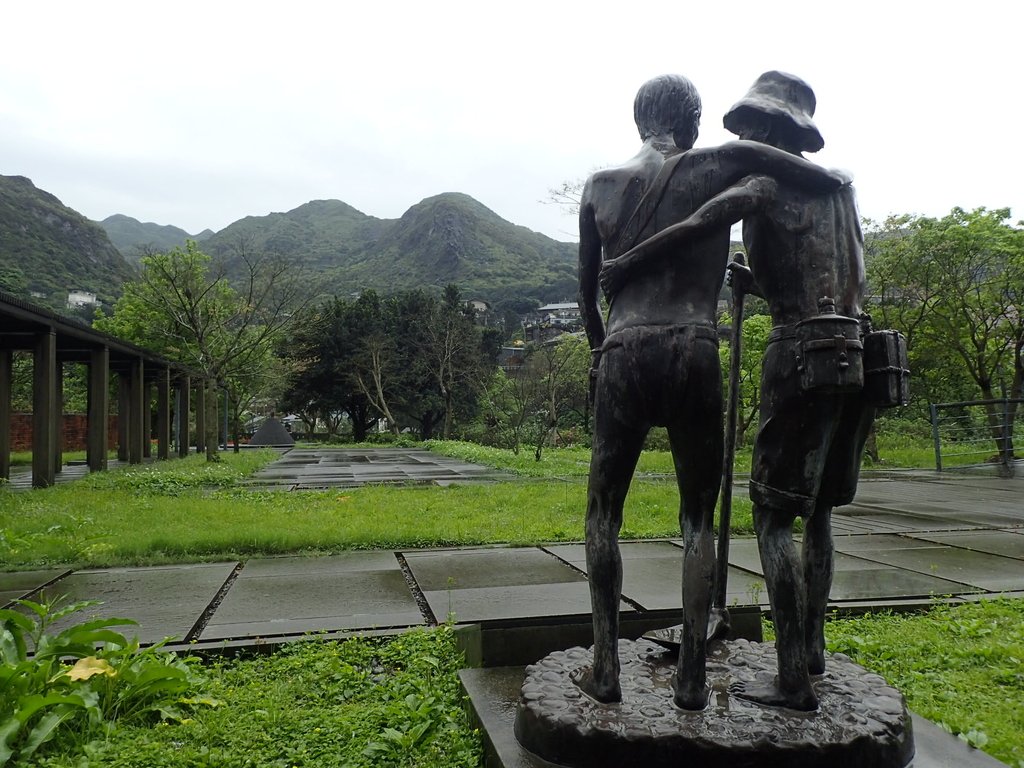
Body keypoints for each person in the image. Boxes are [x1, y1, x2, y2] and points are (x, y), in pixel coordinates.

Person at [600, 71, 872, 711]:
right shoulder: (838, 190)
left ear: (774, 129)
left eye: (752, 122)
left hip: (800, 350)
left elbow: (700, 223)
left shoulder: (767, 181)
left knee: (774, 520)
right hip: (855, 351)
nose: (742, 131)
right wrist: (755, 280)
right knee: (819, 512)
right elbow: (828, 269)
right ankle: (812, 649)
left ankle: (792, 681)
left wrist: (626, 265)